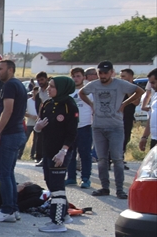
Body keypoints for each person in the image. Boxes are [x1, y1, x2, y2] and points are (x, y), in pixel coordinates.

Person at [80, 60, 143, 199]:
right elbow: (81, 92)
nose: (102, 75)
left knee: (117, 159)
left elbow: (139, 91)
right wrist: (91, 105)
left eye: (105, 73)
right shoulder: (94, 84)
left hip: (115, 126)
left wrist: (124, 104)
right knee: (101, 159)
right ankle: (104, 187)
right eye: (100, 73)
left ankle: (120, 189)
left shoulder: (120, 84)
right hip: (98, 126)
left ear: (111, 72)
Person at [33, 76, 80, 233]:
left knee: (57, 186)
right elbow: (41, 124)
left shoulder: (69, 106)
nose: (48, 89)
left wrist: (64, 151)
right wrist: (37, 127)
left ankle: (57, 221)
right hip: (48, 150)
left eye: (52, 86)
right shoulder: (47, 103)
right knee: (50, 182)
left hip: (61, 152)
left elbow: (72, 133)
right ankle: (64, 213)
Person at [0, 59, 28, 222]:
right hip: (16, 133)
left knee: (3, 174)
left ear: (10, 70)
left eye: (0, 68)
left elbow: (7, 110)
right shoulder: (19, 85)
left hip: (9, 135)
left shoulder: (10, 86)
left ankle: (7, 210)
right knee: (8, 173)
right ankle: (13, 209)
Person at [66, 67, 95, 189]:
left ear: (84, 77)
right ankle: (71, 177)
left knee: (85, 154)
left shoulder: (90, 92)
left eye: (78, 76)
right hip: (70, 128)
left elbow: (94, 108)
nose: (76, 78)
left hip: (85, 126)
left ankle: (85, 178)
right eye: (73, 76)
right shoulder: (67, 92)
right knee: (70, 154)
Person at [138, 69, 157, 151]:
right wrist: (144, 137)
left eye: (153, 83)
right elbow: (151, 117)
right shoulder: (155, 96)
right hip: (154, 139)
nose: (151, 86)